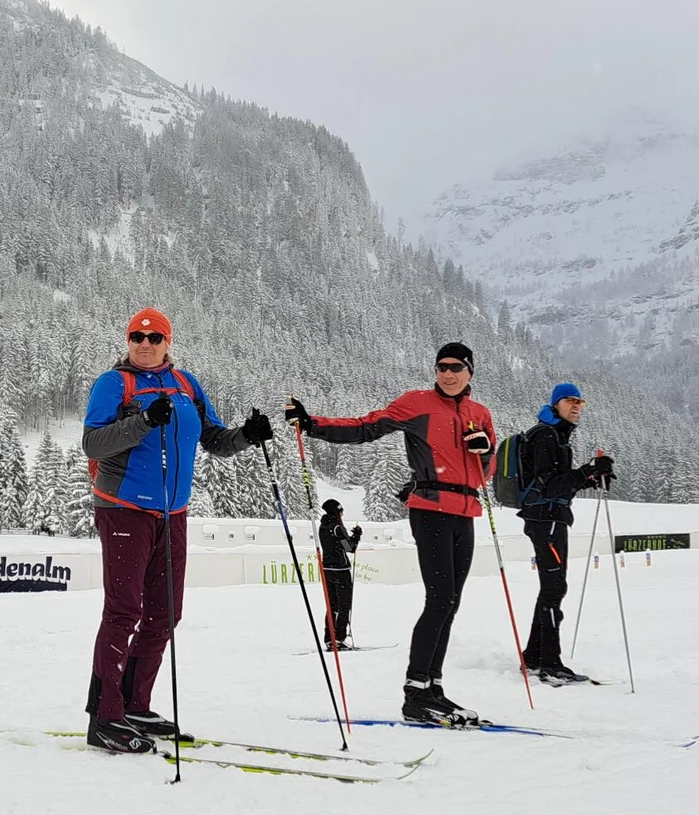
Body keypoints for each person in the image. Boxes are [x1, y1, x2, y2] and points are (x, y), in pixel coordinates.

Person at [82, 307, 274, 753]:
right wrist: (144, 421)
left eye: (154, 338)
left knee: (165, 613)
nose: (145, 344)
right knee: (123, 612)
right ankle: (104, 717)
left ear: (169, 342)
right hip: (124, 509)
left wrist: (247, 434)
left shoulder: (187, 384)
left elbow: (214, 440)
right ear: (127, 341)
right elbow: (93, 442)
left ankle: (134, 705)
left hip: (173, 513)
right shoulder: (114, 384)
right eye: (136, 336)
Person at [285, 342, 495, 725]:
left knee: (451, 603)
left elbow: (487, 471)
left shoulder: (480, 414)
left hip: (466, 512)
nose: (447, 374)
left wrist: (485, 452)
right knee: (440, 598)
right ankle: (415, 693)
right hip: (430, 509)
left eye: (456, 368)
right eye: (441, 367)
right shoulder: (417, 404)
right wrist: (312, 424)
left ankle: (433, 688)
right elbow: (367, 427)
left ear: (470, 373)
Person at [517, 383, 614, 685]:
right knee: (554, 588)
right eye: (570, 401)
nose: (576, 407)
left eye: (580, 403)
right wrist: (587, 472)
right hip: (546, 520)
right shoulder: (547, 436)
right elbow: (549, 485)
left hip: (549, 519)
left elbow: (559, 484)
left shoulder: (555, 435)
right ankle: (550, 662)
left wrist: (591, 475)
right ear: (556, 404)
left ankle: (534, 656)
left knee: (551, 586)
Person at [318, 499, 363, 651]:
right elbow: (349, 548)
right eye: (341, 511)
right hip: (341, 571)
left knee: (331, 606)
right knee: (344, 605)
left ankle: (329, 638)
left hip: (327, 570)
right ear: (336, 511)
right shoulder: (338, 527)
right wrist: (356, 536)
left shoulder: (323, 526)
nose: (342, 514)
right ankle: (339, 638)